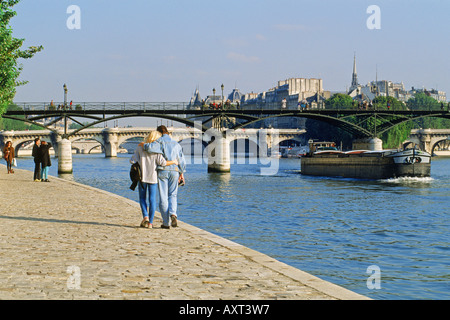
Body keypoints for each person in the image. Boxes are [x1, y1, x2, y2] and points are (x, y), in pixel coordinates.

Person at [131, 131, 178, 229]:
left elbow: (132, 160)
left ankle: (145, 217)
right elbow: (163, 163)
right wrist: (174, 161)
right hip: (153, 178)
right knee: (152, 200)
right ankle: (151, 223)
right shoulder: (157, 150)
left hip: (142, 177)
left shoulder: (140, 147)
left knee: (142, 198)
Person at [142, 125, 186, 229]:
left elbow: (148, 148)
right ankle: (173, 214)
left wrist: (143, 145)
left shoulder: (159, 141)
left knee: (163, 197)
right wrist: (182, 173)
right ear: (167, 133)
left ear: (159, 133)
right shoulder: (176, 144)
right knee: (173, 195)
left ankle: (166, 223)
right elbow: (182, 160)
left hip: (163, 171)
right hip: (175, 171)